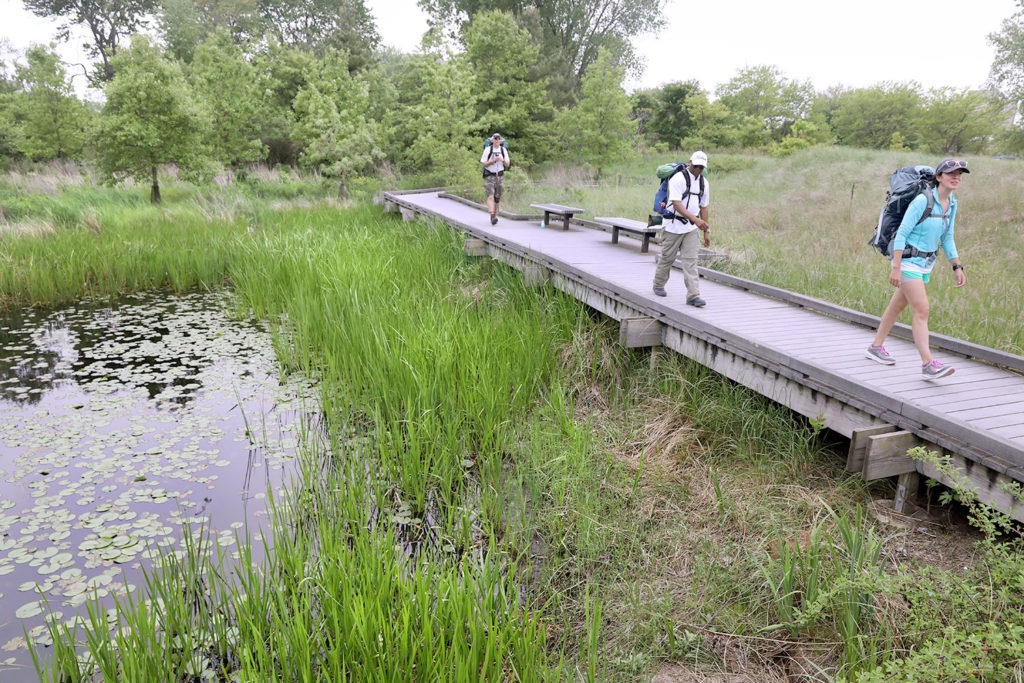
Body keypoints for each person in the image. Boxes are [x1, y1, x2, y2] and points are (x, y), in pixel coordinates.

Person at [865, 158, 968, 380]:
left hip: (925, 264)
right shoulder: (922, 201)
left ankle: (875, 346)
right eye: (951, 173)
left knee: (896, 306)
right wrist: (896, 266)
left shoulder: (953, 203)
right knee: (922, 310)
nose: (956, 177)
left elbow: (947, 237)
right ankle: (928, 363)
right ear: (939, 177)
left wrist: (956, 265)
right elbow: (902, 233)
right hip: (908, 261)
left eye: (959, 174)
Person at [652, 151, 711, 307]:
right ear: (690, 162)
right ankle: (658, 284)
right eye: (696, 165)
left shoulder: (704, 183)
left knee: (691, 261)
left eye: (701, 167)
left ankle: (693, 296)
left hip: (690, 228)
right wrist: (696, 220)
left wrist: (706, 232)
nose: (698, 169)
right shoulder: (678, 178)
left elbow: (704, 207)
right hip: (673, 225)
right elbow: (677, 204)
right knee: (667, 258)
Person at [481, 133, 509, 225]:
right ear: (492, 140)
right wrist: (492, 161)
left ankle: (495, 214)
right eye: (495, 139)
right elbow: (483, 163)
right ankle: (492, 215)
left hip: (500, 176)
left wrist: (502, 160)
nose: (497, 140)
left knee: (497, 197)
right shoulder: (488, 150)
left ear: (500, 140)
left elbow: (507, 164)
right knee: (490, 196)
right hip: (489, 175)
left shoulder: (503, 150)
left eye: (498, 139)